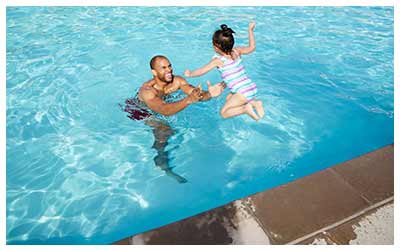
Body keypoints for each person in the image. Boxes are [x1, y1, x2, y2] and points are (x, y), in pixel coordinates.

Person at [123, 55, 225, 183]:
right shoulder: (147, 91)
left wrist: (209, 94)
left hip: (160, 105)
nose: (169, 70)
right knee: (164, 128)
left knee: (171, 129)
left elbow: (195, 94)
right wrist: (188, 100)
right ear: (154, 72)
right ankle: (160, 159)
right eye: (164, 68)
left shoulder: (177, 81)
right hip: (139, 110)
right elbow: (164, 110)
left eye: (170, 66)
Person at [184, 22, 265, 121]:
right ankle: (255, 103)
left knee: (224, 113)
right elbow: (252, 48)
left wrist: (190, 74)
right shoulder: (237, 51)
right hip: (250, 87)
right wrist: (250, 30)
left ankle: (245, 109)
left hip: (242, 92)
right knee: (228, 98)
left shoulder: (218, 61)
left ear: (216, 46)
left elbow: (202, 71)